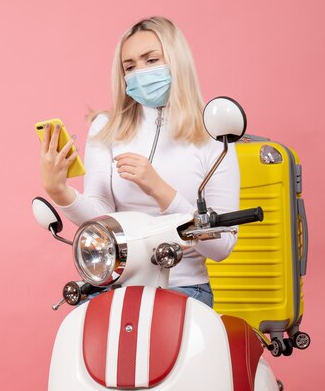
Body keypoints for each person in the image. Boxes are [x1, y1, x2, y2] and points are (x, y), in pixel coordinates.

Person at [38, 16, 239, 307]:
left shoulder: (214, 134)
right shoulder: (107, 127)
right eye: (129, 66)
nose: (139, 73)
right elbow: (101, 217)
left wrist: (159, 189)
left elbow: (221, 247)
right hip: (115, 287)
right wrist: (60, 191)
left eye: (151, 60)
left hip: (184, 290)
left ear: (177, 62)